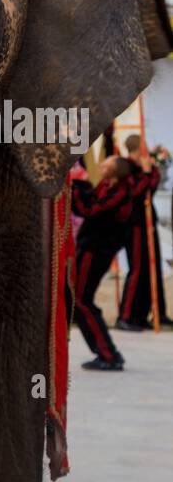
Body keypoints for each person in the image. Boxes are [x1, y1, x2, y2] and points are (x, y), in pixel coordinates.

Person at [71, 153, 151, 370]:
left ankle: (108, 354)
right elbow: (90, 198)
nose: (102, 165)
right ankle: (106, 353)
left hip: (96, 251)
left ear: (115, 171)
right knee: (80, 300)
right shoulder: (106, 186)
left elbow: (91, 209)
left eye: (107, 163)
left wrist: (73, 187)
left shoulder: (120, 192)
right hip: (91, 248)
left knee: (81, 300)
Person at [117, 135, 171, 331]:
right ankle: (126, 315)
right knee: (138, 269)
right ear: (139, 147)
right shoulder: (126, 166)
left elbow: (153, 182)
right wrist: (148, 174)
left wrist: (149, 172)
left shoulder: (143, 166)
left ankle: (143, 314)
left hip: (147, 222)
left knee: (152, 269)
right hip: (135, 223)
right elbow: (137, 191)